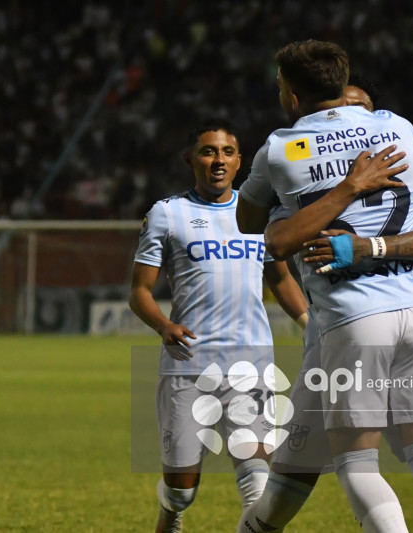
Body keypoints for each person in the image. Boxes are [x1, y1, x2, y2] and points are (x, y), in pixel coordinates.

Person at [236, 77, 413, 533]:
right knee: (282, 492)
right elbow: (272, 246)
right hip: (332, 346)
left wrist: (370, 246)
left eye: (364, 113)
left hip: (386, 327)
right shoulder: (298, 193)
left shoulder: (408, 179)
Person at [128, 119, 308, 533]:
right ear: (190, 159)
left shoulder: (258, 214)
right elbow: (139, 291)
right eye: (208, 151)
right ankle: (170, 515)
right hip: (188, 365)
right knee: (182, 490)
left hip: (252, 364)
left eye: (227, 152)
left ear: (240, 160)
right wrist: (163, 325)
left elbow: (279, 278)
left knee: (257, 480)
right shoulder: (168, 214)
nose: (218, 160)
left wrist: (307, 323)